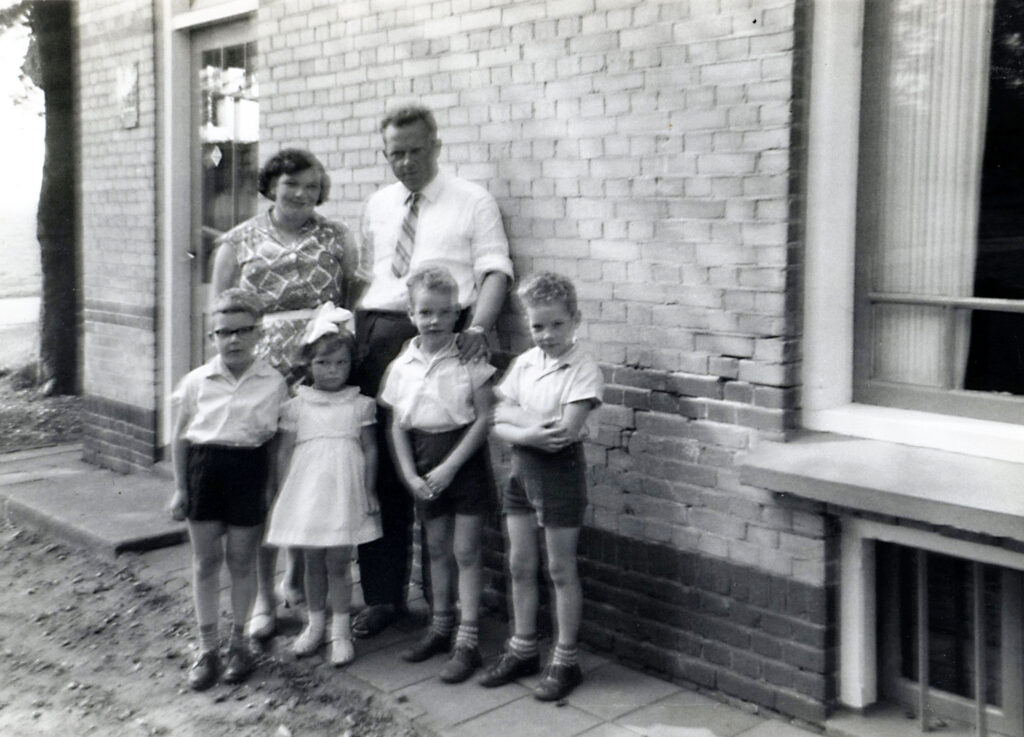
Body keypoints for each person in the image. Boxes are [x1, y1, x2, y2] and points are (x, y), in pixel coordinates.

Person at [352, 104, 513, 639]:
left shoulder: (472, 201)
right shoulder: (378, 203)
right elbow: (372, 275)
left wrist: (479, 329)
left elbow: (495, 271)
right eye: (395, 153)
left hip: (449, 337)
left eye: (415, 151)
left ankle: (441, 607)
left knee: (441, 461)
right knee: (383, 469)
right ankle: (383, 597)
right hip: (381, 337)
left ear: (436, 145)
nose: (405, 162)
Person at [210, 147, 364, 642]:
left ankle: (297, 580)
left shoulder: (337, 237)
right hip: (263, 372)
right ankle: (263, 595)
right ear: (271, 186)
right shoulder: (237, 242)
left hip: (317, 372)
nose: (302, 194)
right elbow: (222, 317)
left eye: (312, 186)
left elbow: (349, 297)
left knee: (309, 478)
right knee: (266, 482)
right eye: (292, 184)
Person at [480, 272, 603, 702]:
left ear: (575, 320)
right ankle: (524, 647)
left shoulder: (582, 367)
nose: (547, 335)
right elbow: (498, 418)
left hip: (559, 474)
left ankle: (566, 659)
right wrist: (529, 430)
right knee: (519, 564)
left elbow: (565, 431)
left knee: (559, 569)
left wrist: (520, 424)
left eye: (556, 324)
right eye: (537, 325)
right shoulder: (526, 363)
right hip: (520, 472)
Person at [378, 266, 496, 683]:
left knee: (466, 551)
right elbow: (396, 425)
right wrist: (410, 475)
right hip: (424, 462)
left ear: (457, 314)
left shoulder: (469, 359)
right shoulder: (402, 364)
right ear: (411, 313)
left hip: (462, 462)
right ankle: (440, 626)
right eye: (425, 312)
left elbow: (484, 418)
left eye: (444, 313)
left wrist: (450, 468)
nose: (434, 321)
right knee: (436, 549)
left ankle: (468, 640)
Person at [167, 288, 288, 691]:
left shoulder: (273, 383)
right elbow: (180, 438)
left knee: (242, 561)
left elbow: (273, 442)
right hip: (205, 471)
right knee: (205, 563)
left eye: (242, 331)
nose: (233, 340)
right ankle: (207, 648)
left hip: (248, 471)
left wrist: (272, 488)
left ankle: (239, 644)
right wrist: (180, 489)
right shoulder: (196, 383)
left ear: (258, 334)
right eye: (224, 332)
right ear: (212, 337)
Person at [264, 303, 380, 667]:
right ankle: (315, 625)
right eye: (323, 364)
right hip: (308, 493)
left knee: (339, 563)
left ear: (351, 363)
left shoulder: (360, 405)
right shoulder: (297, 405)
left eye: (341, 363)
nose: (332, 371)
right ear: (308, 365)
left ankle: (341, 631)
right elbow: (284, 454)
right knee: (313, 562)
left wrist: (370, 489)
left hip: (344, 491)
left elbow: (371, 449)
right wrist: (284, 494)